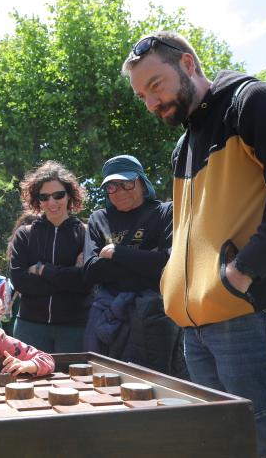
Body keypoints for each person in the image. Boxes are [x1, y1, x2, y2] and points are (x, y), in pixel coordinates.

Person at [124, 32, 266, 457]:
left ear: (188, 64)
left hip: (249, 316)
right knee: (223, 448)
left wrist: (241, 273)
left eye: (155, 85)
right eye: (142, 95)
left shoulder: (253, 101)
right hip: (194, 326)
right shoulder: (183, 144)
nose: (151, 103)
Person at [83, 155, 186, 378]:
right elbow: (90, 270)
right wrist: (144, 259)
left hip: (153, 318)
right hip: (107, 317)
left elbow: (167, 265)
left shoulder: (165, 212)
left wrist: (116, 252)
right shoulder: (99, 218)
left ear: (141, 182)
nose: (119, 191)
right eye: (111, 186)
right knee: (104, 385)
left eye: (126, 183)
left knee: (152, 387)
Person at [9, 161, 91, 353]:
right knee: (28, 382)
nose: (52, 202)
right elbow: (20, 281)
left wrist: (42, 270)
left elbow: (86, 283)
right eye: (44, 197)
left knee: (73, 383)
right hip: (30, 327)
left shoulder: (86, 234)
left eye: (58, 195)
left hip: (74, 328)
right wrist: (70, 277)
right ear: (37, 200)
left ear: (70, 195)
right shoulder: (24, 234)